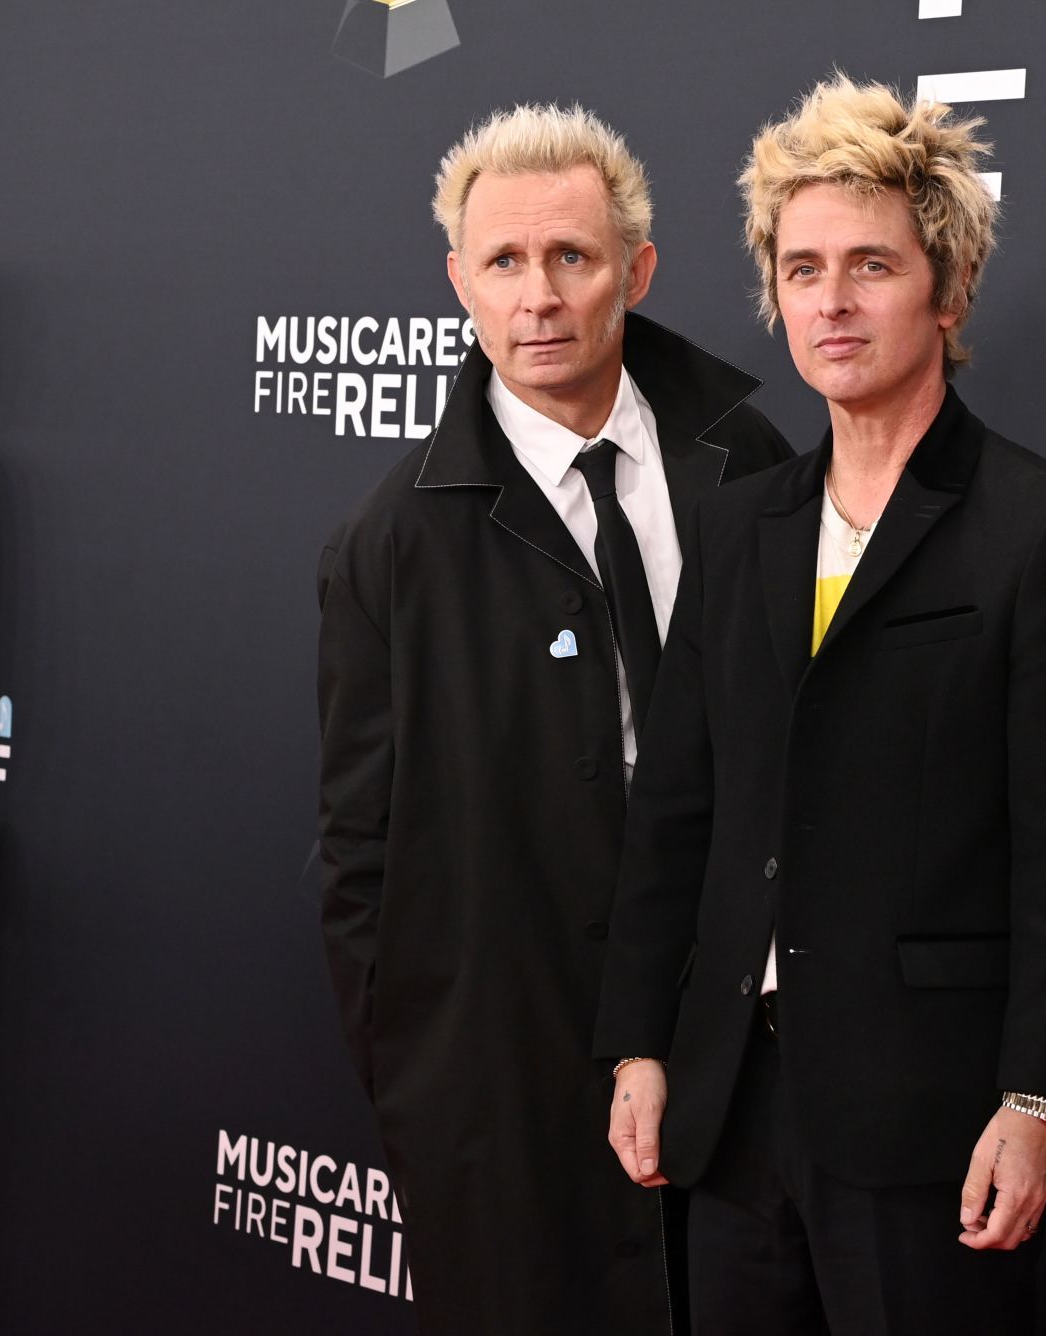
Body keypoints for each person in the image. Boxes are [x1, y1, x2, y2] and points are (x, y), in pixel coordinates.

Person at [593, 76, 1046, 1335]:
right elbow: (676, 809)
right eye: (803, 269)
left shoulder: (1044, 529)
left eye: (871, 266)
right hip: (732, 1108)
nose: (832, 301)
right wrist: (638, 1042)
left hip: (931, 1122)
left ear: (947, 290)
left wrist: (1039, 1097)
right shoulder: (741, 525)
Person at [315, 102, 791, 1334]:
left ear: (637, 270)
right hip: (504, 1097)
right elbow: (360, 854)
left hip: (741, 1058)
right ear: (459, 284)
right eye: (505, 262)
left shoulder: (746, 458)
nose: (538, 297)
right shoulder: (390, 544)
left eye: (572, 257)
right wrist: (423, 1091)